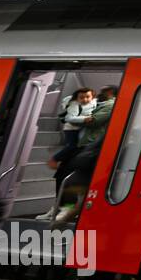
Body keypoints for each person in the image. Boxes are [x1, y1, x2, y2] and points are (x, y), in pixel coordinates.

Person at [50, 85, 117, 225]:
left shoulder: (110, 105)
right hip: (86, 147)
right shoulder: (98, 104)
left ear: (110, 92)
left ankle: (66, 211)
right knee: (67, 179)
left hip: (88, 148)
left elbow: (93, 121)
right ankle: (63, 209)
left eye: (103, 91)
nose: (99, 93)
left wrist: (79, 118)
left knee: (69, 180)